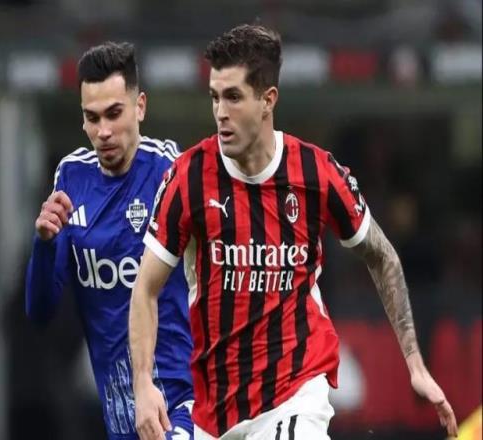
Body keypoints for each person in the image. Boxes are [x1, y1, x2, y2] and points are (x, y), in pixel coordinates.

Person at [128, 25, 458, 440]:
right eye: (214, 97)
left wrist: (415, 364)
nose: (220, 112)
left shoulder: (316, 173)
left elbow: (382, 255)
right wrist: (143, 384)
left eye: (233, 97)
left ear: (268, 100)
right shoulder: (188, 178)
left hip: (295, 391)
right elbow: (145, 289)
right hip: (214, 411)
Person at [25, 42, 194, 440]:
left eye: (114, 114)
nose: (103, 131)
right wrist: (44, 244)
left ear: (140, 107)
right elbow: (40, 311)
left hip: (183, 401)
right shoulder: (71, 177)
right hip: (120, 414)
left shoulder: (171, 171)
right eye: (92, 117)